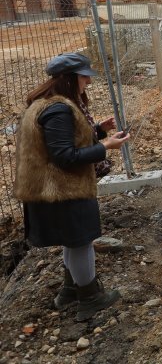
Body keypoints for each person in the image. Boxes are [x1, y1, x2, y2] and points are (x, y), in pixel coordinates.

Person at [14, 52, 130, 322]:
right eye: (84, 76)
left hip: (52, 191)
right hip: (62, 191)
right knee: (80, 243)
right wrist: (105, 146)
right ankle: (90, 298)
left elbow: (61, 142)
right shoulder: (58, 110)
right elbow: (65, 156)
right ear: (69, 78)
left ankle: (69, 290)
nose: (88, 81)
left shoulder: (47, 104)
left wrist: (98, 131)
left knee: (72, 240)